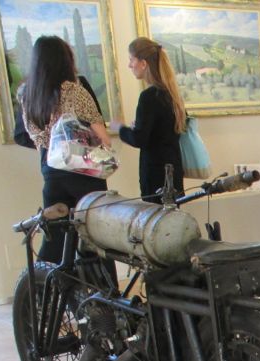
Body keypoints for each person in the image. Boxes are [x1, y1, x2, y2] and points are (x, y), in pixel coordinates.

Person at [19, 36, 109, 264]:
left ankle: (46, 283)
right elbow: (103, 138)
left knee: (55, 237)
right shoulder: (75, 91)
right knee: (96, 237)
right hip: (83, 172)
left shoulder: (28, 97)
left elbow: (34, 138)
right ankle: (99, 285)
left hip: (50, 171)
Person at [111, 37, 186, 201]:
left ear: (143, 63)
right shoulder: (172, 94)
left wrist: (120, 128)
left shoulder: (149, 96)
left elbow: (139, 139)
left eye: (131, 60)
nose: (129, 65)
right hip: (173, 170)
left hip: (156, 176)